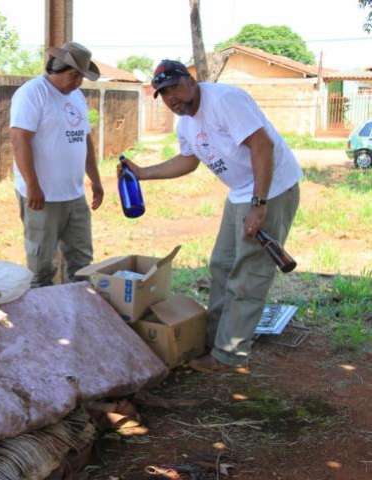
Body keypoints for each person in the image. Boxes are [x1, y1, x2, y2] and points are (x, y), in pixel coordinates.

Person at [121, 59, 302, 372]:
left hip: (270, 189)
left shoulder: (225, 100)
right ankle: (214, 339)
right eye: (163, 94)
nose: (171, 98)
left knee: (249, 273)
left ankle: (229, 353)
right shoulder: (187, 123)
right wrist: (142, 173)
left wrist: (259, 205)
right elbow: (187, 161)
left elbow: (262, 145)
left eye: (175, 87)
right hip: (240, 194)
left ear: (191, 81)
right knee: (222, 265)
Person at [10, 41, 104, 287]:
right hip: (42, 197)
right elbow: (19, 140)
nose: (77, 83)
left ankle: (78, 314)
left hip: (74, 195)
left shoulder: (77, 97)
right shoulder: (32, 93)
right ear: (56, 68)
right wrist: (33, 185)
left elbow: (84, 140)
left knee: (82, 263)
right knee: (41, 267)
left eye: (81, 77)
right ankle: (43, 317)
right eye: (74, 76)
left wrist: (95, 180)